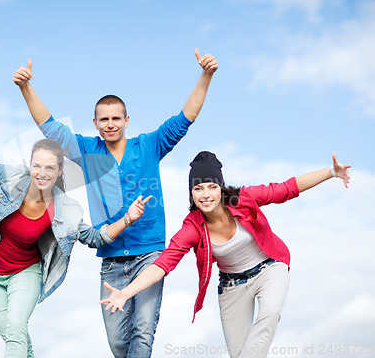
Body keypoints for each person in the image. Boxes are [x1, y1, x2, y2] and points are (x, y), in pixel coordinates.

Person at [0, 96, 152, 358]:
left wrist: (127, 219)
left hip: (25, 272)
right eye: (37, 166)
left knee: (15, 331)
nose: (42, 173)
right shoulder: (9, 179)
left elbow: (95, 237)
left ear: (60, 171)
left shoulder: (64, 210)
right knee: (17, 338)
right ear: (30, 165)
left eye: (50, 168)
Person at [12, 50, 218, 357]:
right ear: (95, 122)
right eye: (104, 119)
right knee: (119, 343)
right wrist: (25, 87)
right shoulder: (87, 150)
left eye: (116, 118)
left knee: (143, 333)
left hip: (149, 255)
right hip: (111, 261)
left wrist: (206, 75)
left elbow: (185, 118)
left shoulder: (148, 145)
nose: (110, 124)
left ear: (126, 120)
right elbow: (50, 126)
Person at [100, 150, 351, 358]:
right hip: (232, 287)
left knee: (270, 312)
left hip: (268, 270)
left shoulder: (244, 199)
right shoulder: (193, 226)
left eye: (211, 186)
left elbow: (287, 188)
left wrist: (331, 172)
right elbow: (163, 264)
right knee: (240, 353)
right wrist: (125, 292)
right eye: (198, 188)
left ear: (221, 187)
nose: (206, 194)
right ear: (192, 193)